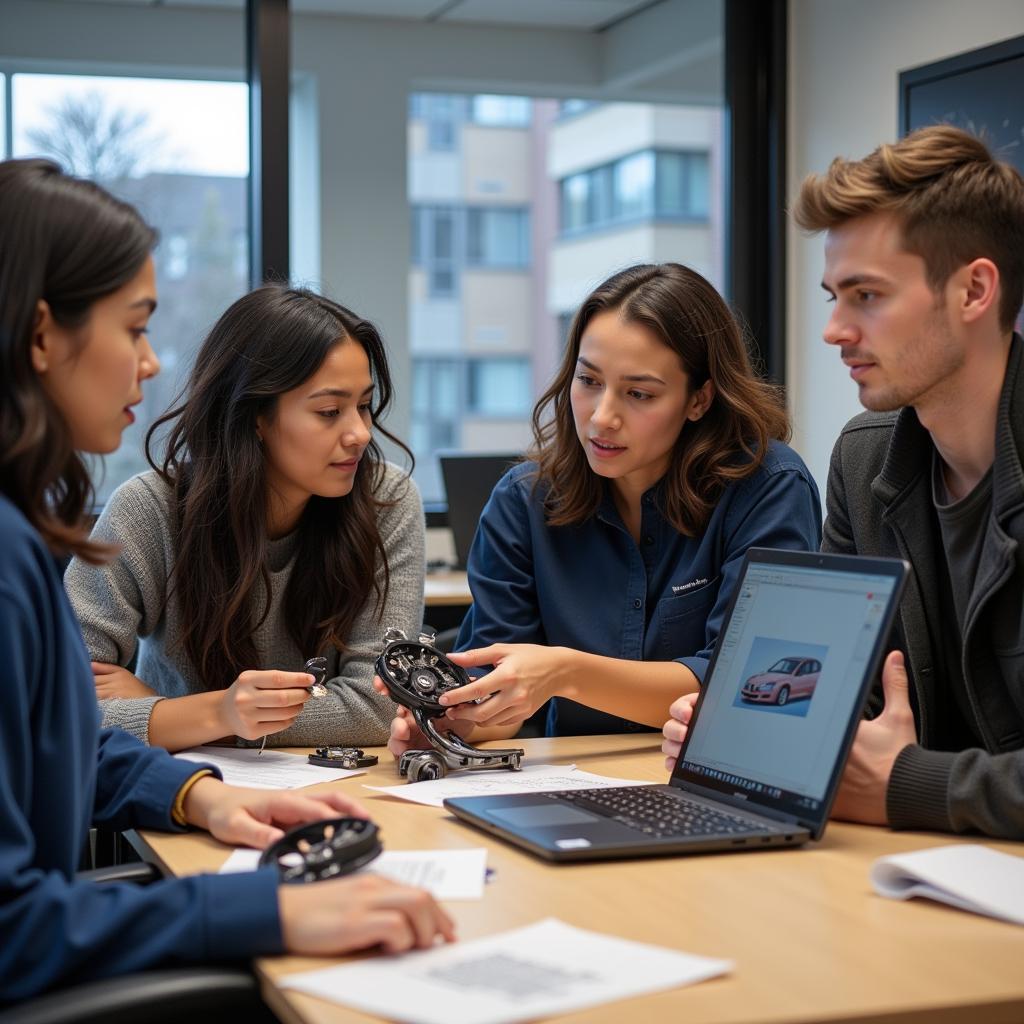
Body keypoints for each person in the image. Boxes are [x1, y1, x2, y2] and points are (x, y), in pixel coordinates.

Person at [0, 158, 453, 1002]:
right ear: (39, 336)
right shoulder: (72, 535)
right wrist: (261, 908)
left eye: (365, 407)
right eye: (134, 328)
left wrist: (193, 784)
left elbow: (69, 739)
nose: (148, 363)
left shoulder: (17, 535)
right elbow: (13, 924)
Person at [664, 125, 1024, 841]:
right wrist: (744, 732)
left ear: (974, 291)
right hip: (933, 870)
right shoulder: (864, 461)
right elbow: (837, 698)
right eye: (834, 295)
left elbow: (894, 773)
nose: (833, 330)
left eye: (866, 296)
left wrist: (912, 784)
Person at [383, 262, 821, 753]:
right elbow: (501, 690)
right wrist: (455, 721)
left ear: (699, 399)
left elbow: (747, 686)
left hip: (711, 778)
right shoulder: (523, 501)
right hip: (572, 782)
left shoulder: (767, 487)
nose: (603, 418)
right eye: (588, 381)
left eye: (639, 394)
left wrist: (566, 674)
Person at [64, 284, 422, 752]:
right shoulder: (150, 509)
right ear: (255, 416)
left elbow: (376, 708)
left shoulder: (386, 500)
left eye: (363, 406)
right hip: (177, 793)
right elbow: (60, 702)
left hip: (333, 791)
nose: (358, 433)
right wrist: (221, 711)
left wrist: (191, 714)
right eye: (330, 411)